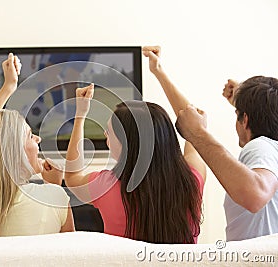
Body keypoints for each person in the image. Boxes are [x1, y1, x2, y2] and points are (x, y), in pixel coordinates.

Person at [64, 46, 206, 244]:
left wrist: (79, 116)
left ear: (126, 144)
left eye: (109, 132)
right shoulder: (192, 180)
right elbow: (193, 121)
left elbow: (71, 177)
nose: (105, 134)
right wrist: (159, 72)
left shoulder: (105, 186)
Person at [0, 53, 75, 239]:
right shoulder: (54, 198)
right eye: (30, 136)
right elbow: (69, 254)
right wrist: (54, 187)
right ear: (15, 151)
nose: (38, 139)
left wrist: (8, 88)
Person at [176, 75, 278, 241]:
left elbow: (256, 194)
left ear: (244, 119)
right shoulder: (273, 149)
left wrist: (198, 133)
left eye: (237, 114)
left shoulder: (261, 145)